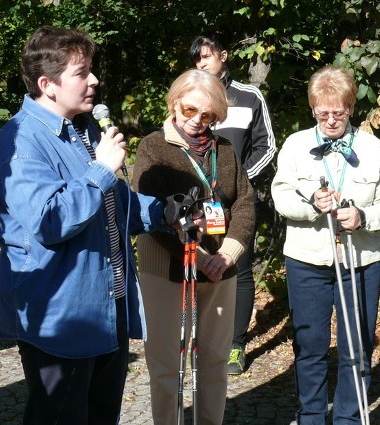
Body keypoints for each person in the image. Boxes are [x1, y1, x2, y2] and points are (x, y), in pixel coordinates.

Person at [0, 26, 170, 425]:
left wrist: (166, 213)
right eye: (82, 72)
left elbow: (108, 205)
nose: (94, 80)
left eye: (91, 70)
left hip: (107, 305)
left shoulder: (84, 129)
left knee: (101, 416)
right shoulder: (20, 142)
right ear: (47, 84)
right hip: (61, 314)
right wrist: (101, 169)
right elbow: (50, 220)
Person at [271, 65, 380, 424]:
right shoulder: (296, 145)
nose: (331, 120)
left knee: (357, 347)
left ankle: (349, 418)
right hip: (307, 259)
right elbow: (280, 197)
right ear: (313, 109)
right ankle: (311, 416)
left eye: (338, 113)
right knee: (309, 346)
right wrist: (312, 206)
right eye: (323, 113)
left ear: (351, 109)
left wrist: (363, 217)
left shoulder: (373, 148)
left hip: (360, 260)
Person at [133, 68, 255, 425]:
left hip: (220, 267)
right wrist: (200, 258)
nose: (197, 121)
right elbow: (150, 213)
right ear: (174, 103)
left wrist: (228, 253)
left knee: (216, 361)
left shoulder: (226, 150)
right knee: (167, 364)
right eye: (189, 110)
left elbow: (245, 201)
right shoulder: (153, 147)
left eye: (207, 115)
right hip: (167, 269)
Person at [190, 34, 276, 375]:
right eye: (196, 59)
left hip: (240, 202)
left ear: (224, 56)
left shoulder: (248, 96)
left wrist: (240, 182)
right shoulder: (193, 97)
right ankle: (207, 338)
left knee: (238, 269)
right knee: (204, 265)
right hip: (201, 205)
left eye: (206, 56)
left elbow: (267, 147)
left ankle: (236, 346)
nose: (201, 64)